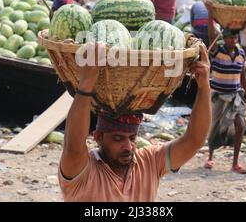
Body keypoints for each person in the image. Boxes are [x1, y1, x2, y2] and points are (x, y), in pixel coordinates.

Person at [58, 43, 212, 202]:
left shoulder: (149, 162)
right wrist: (85, 86)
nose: (128, 146)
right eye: (118, 138)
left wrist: (204, 87)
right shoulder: (82, 171)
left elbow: (194, 141)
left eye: (132, 138)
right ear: (98, 137)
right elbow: (74, 146)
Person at [204, 8, 246, 174]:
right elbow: (211, 35)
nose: (233, 40)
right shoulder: (218, 51)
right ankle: (210, 156)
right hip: (218, 96)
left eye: (235, 37)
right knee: (215, 126)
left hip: (236, 96)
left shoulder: (241, 54)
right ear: (224, 39)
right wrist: (210, 14)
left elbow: (243, 76)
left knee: (240, 124)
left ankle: (235, 163)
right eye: (230, 37)